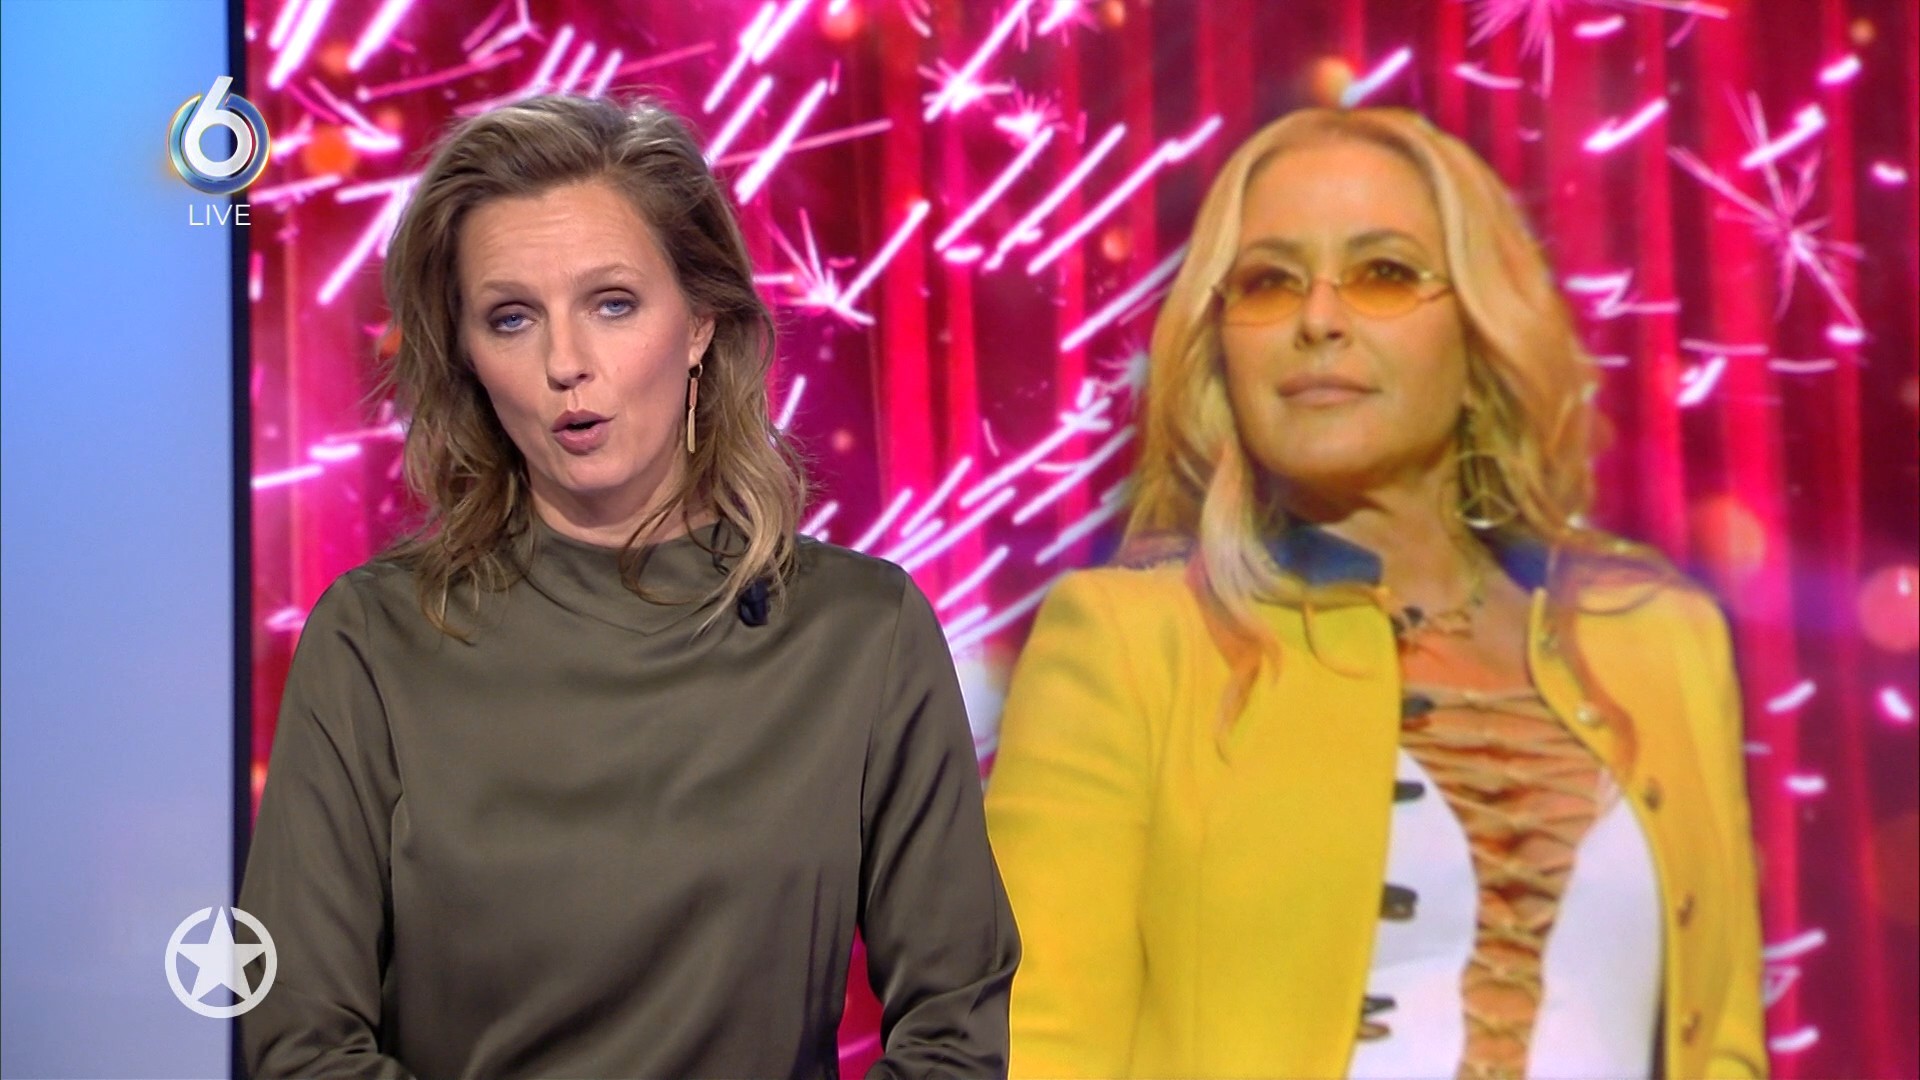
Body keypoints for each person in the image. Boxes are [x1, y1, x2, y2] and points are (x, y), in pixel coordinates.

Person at [240, 94, 1018, 1079]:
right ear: (469, 358)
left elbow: (953, 1033)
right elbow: (300, 1046)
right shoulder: (374, 640)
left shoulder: (861, 634)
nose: (566, 364)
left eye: (612, 304)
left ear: (699, 324)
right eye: (512, 318)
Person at [984, 106, 1766, 1080]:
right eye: (1269, 282)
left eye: (1384, 272)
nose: (1318, 319)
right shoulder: (1132, 645)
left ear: (1481, 337)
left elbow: (1725, 1042)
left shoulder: (1663, 639)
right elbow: (1034, 1049)